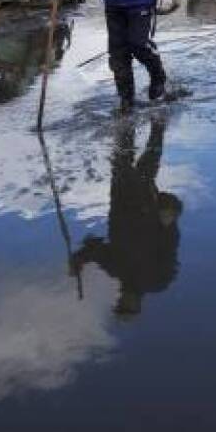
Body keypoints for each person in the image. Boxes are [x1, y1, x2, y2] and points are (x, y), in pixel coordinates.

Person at [72, 112, 182, 318]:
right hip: (144, 206)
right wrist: (170, 219)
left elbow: (94, 249)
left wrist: (78, 260)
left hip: (120, 200)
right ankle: (156, 115)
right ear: (138, 307)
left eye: (121, 305)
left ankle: (127, 118)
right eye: (128, 307)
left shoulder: (116, 269)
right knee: (147, 158)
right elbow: (170, 248)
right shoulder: (157, 280)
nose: (124, 301)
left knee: (122, 160)